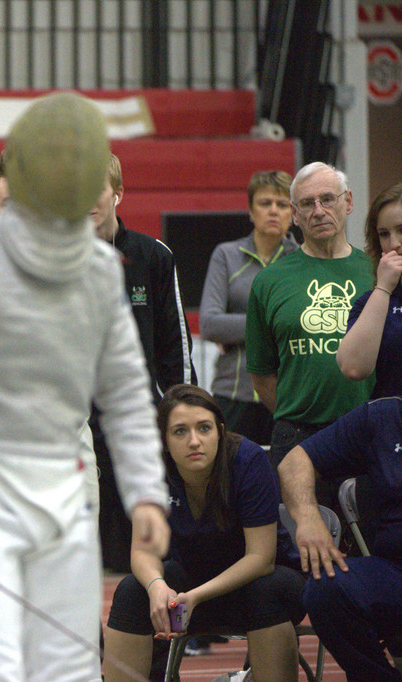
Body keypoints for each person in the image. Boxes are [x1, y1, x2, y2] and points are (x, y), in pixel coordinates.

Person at [0, 92, 170, 682]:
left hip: (63, 492)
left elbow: (124, 389)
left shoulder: (97, 271)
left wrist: (145, 488)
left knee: (70, 665)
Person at [104, 384, 306, 682]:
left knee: (265, 589)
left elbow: (261, 558)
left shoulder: (248, 461)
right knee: (133, 589)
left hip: (261, 584)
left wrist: (195, 596)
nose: (194, 441)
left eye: (204, 428)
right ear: (164, 440)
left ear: (220, 431)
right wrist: (157, 586)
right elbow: (143, 551)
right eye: (180, 432)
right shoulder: (154, 470)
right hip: (191, 587)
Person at [90, 151, 196, 574]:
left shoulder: (153, 255)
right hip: (77, 423)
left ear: (118, 193)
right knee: (89, 543)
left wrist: (178, 410)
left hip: (140, 420)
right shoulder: (56, 259)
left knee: (151, 540)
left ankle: (166, 629)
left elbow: (176, 343)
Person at [246, 162, 375, 508]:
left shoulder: (376, 272)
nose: (318, 211)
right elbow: (261, 376)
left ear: (347, 202)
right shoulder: (269, 281)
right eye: (306, 203)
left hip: (370, 434)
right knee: (300, 552)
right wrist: (303, 412)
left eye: (327, 199)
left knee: (375, 546)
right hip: (296, 439)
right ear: (295, 214)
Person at [278, 396, 402, 681]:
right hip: (394, 573)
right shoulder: (383, 416)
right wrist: (309, 518)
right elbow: (294, 463)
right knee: (327, 587)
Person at [199, 171, 298, 446]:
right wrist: (273, 326)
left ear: (293, 212)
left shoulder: (302, 260)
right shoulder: (226, 255)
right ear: (251, 210)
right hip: (232, 393)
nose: (274, 211)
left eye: (282, 204)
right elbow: (208, 323)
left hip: (287, 396)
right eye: (265, 203)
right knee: (230, 481)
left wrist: (236, 331)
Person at [338, 181, 402, 398]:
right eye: (384, 234)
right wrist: (383, 288)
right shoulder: (372, 301)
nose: (393, 243)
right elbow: (353, 368)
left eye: (401, 230)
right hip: (392, 424)